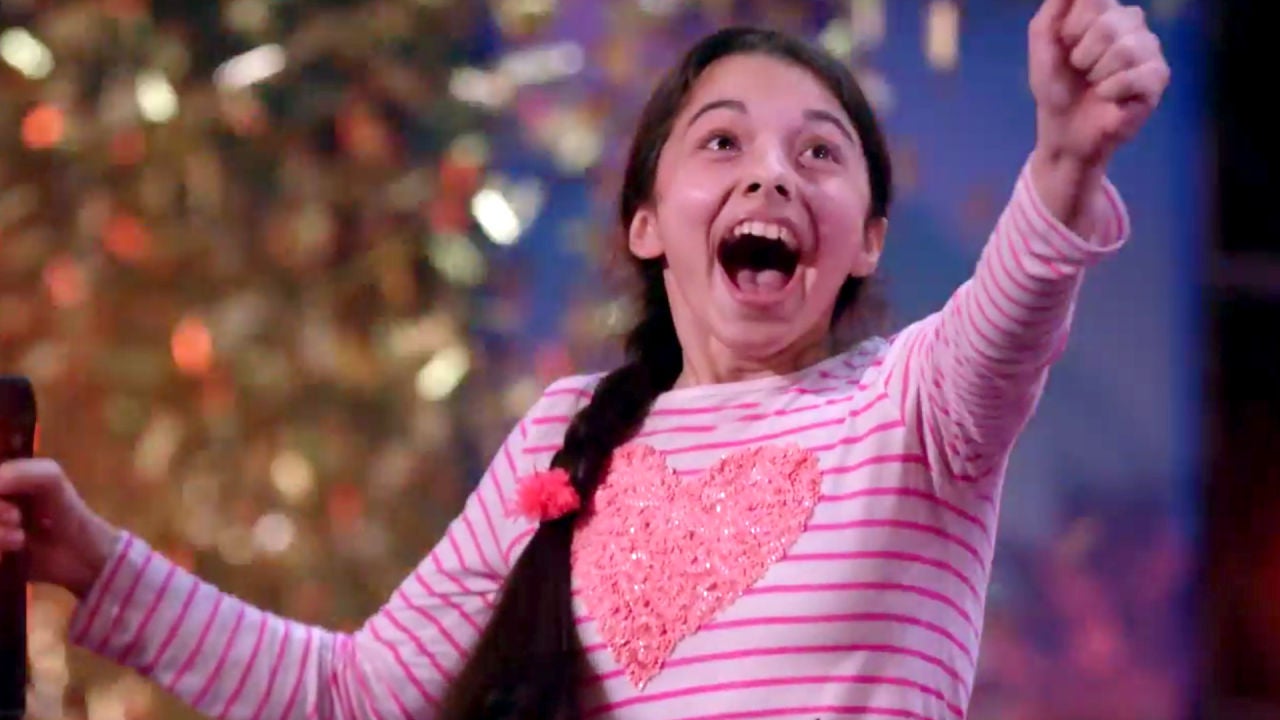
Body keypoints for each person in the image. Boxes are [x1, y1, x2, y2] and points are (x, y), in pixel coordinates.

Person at [0, 0, 1169, 717]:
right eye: (722, 143)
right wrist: (92, 563)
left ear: (865, 240)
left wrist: (1066, 161)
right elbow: (353, 695)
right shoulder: (565, 437)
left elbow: (1012, 307)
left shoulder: (913, 410)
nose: (771, 174)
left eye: (818, 154)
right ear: (647, 222)